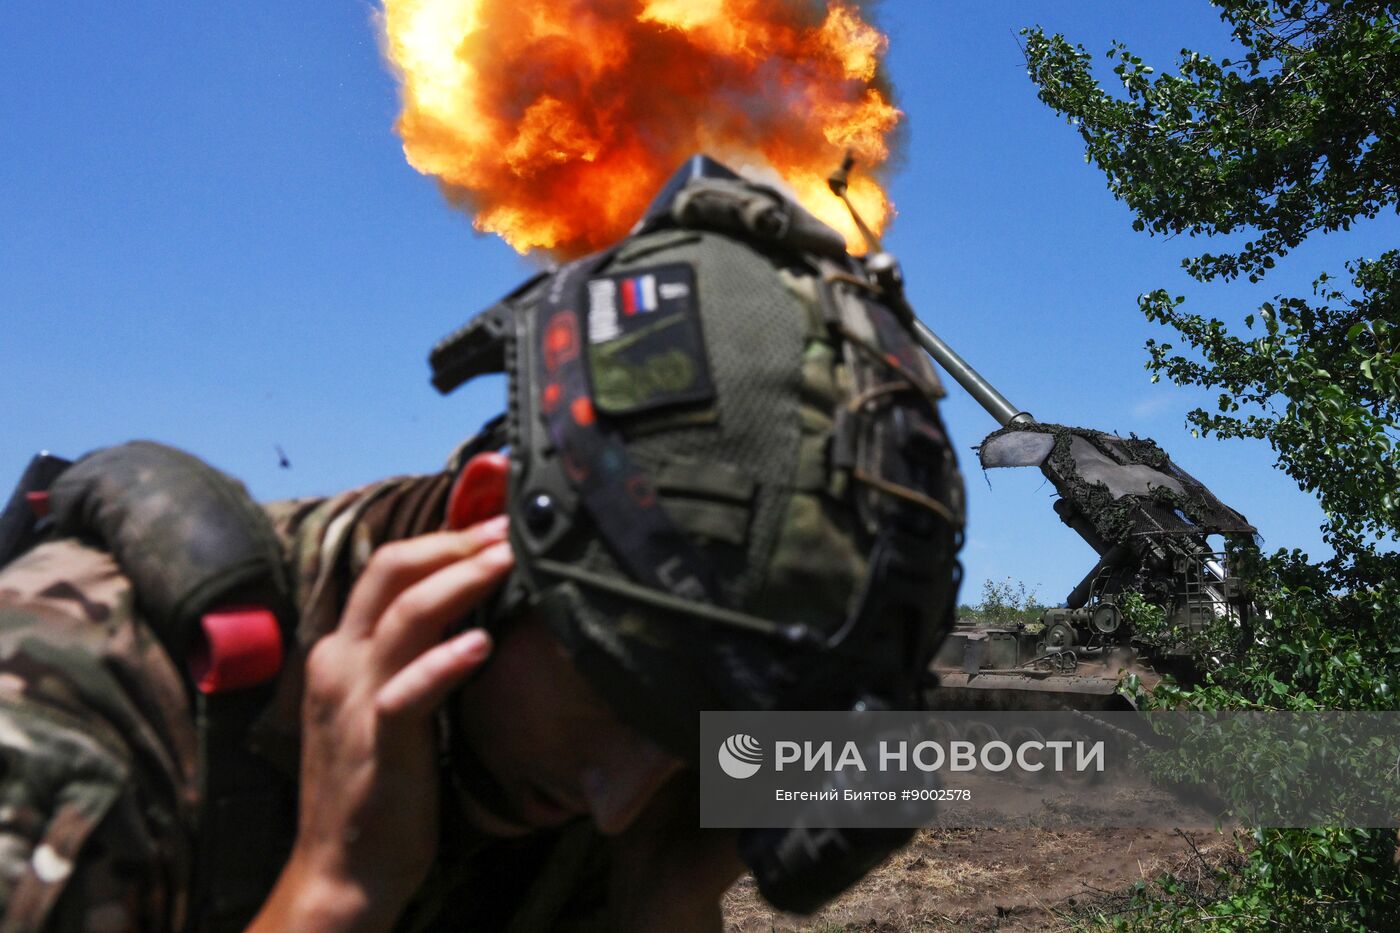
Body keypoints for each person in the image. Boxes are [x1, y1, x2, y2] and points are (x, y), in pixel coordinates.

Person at [0, 157, 965, 931]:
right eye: (624, 693)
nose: (621, 801)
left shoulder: (594, 788)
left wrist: (665, 914)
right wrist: (332, 898)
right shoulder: (72, 717)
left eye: (693, 739)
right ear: (482, 517)